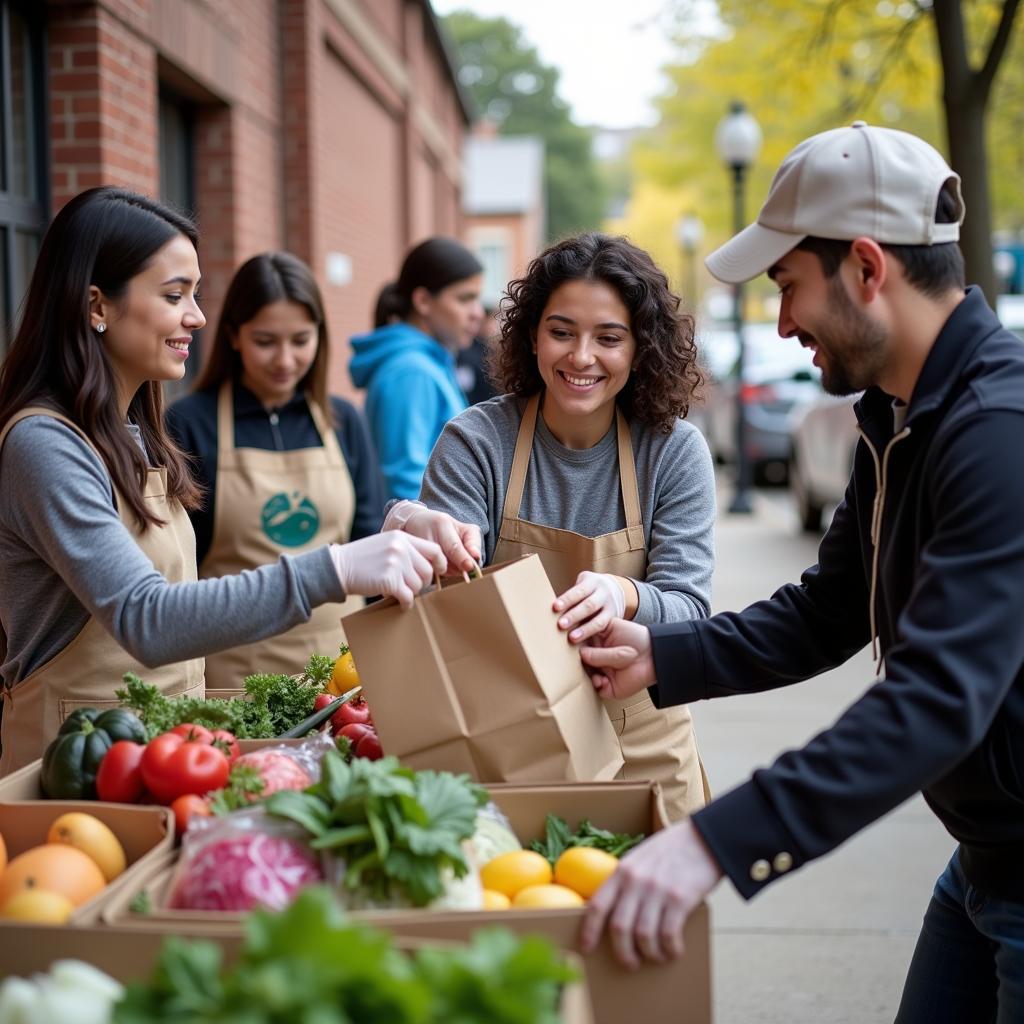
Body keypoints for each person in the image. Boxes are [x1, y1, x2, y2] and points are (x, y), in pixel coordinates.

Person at [577, 123, 1024, 1021]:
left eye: (788, 287)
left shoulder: (997, 430)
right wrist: (664, 654)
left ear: (866, 267)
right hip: (984, 862)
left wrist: (712, 844)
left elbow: (938, 696)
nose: (782, 323)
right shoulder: (896, 412)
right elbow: (830, 609)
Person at [0, 187, 445, 774]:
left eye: (196, 294)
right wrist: (337, 568)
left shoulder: (135, 433)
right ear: (97, 306)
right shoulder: (45, 444)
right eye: (173, 295)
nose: (197, 316)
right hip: (70, 773)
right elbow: (146, 617)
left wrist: (392, 523)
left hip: (158, 756)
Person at [385, 233, 716, 820]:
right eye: (561, 331)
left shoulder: (674, 451)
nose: (581, 357)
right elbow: (444, 606)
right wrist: (416, 530)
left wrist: (626, 594)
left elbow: (691, 608)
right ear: (532, 334)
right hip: (508, 739)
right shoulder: (475, 441)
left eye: (608, 338)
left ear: (641, 348)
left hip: (645, 737)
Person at [166, 253, 387, 691]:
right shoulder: (189, 422)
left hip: (342, 677)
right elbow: (177, 570)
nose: (285, 360)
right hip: (232, 680)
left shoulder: (343, 420)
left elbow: (371, 541)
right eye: (266, 341)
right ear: (233, 335)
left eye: (301, 340)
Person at [349, 237, 484, 500]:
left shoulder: (430, 363)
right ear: (423, 301)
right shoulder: (411, 373)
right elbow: (405, 485)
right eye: (465, 299)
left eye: (477, 299)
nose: (477, 312)